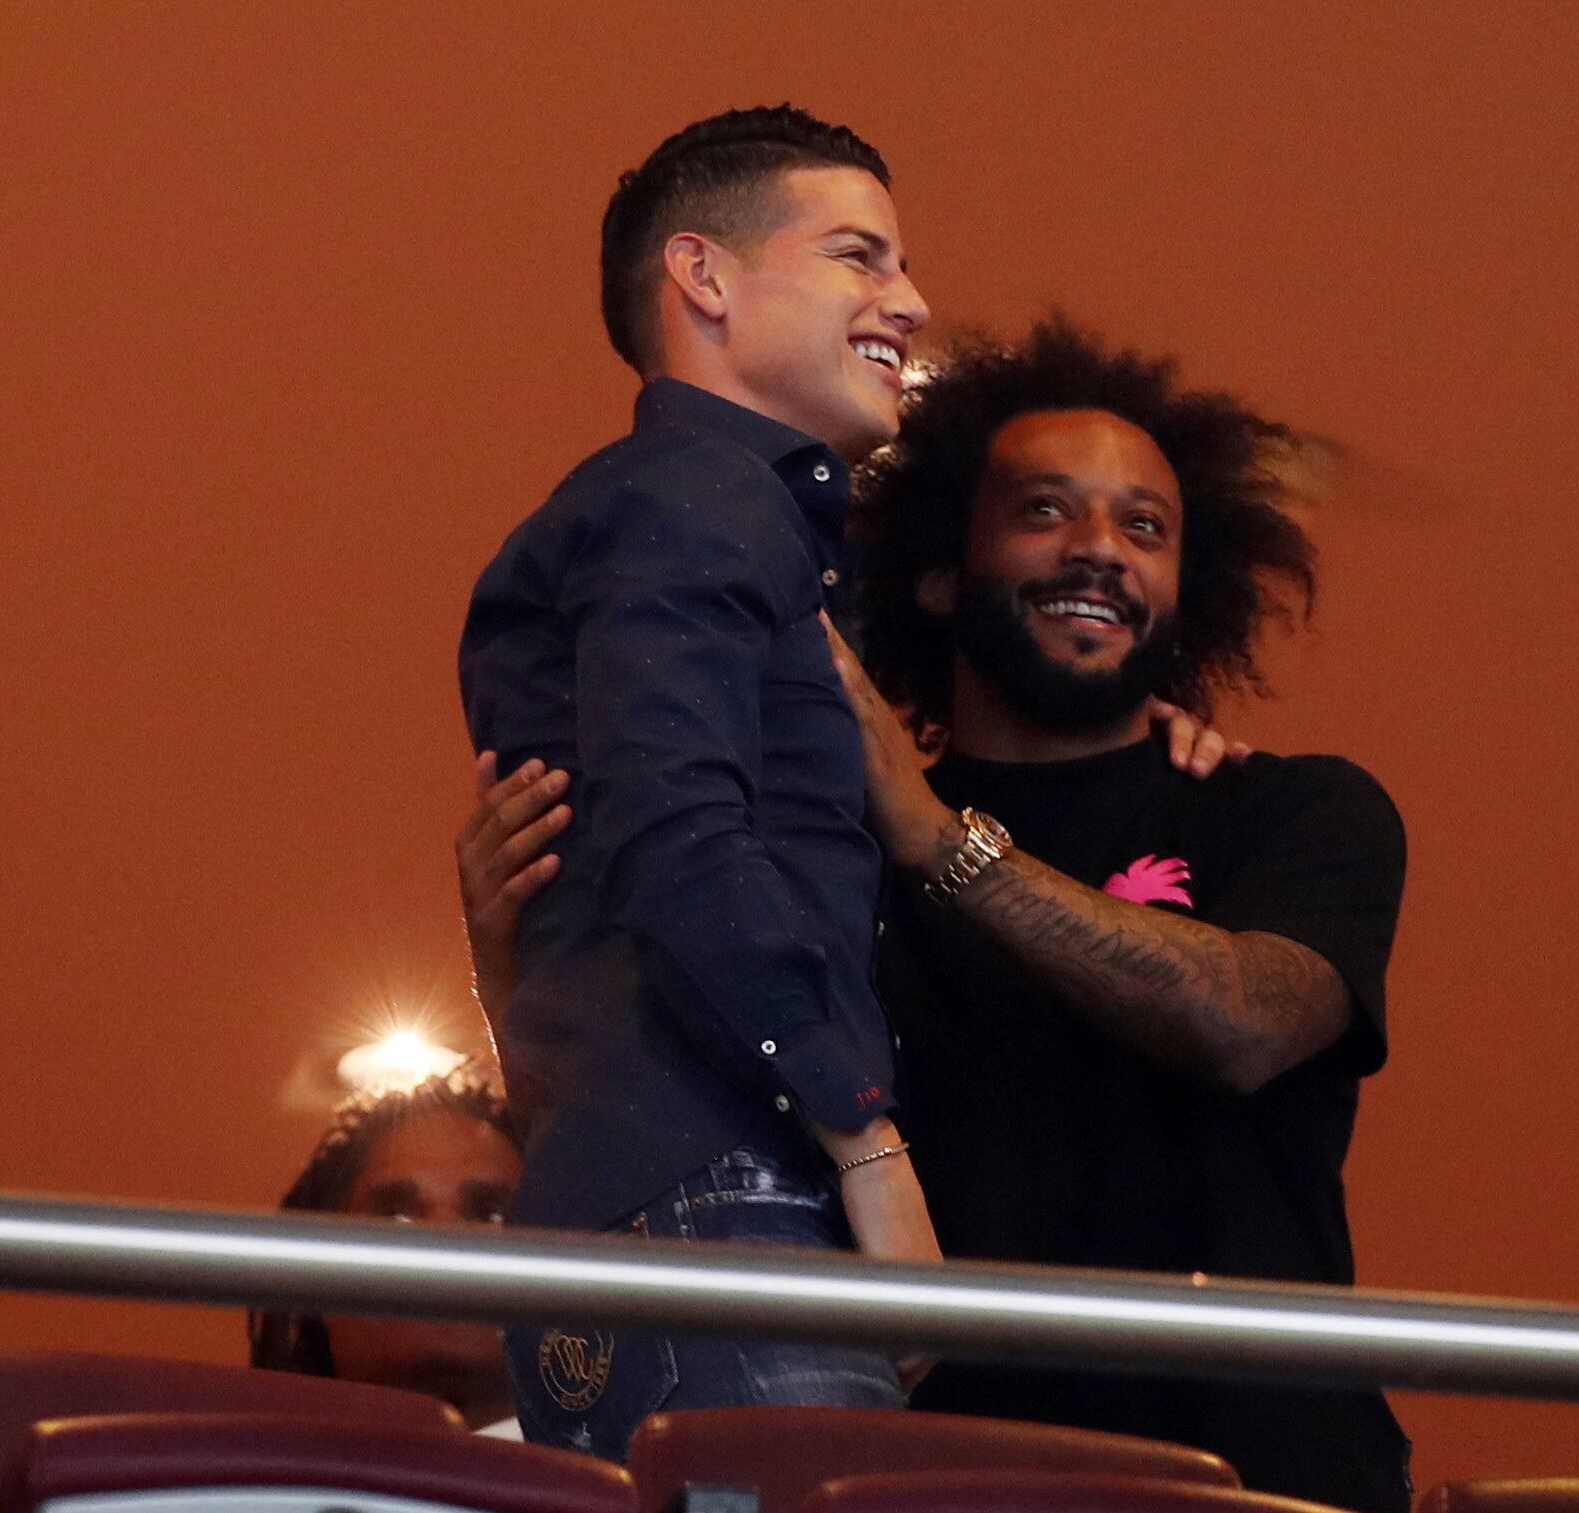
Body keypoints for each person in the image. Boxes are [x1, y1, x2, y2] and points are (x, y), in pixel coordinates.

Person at [459, 318, 1411, 1513]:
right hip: (926, 1477)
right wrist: (511, 967)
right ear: (934, 571)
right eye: (1044, 511)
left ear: (1189, 590)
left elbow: (1247, 1019)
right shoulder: (821, 847)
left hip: (1260, 1483)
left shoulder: (1292, 808)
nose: (1101, 550)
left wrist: (937, 838)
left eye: (1146, 528)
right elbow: (670, 1106)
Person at [456, 105, 938, 1460]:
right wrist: (866, 1145)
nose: (907, 301)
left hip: (657, 1194)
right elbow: (680, 837)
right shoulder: (689, 499)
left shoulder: (692, 519)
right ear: (703, 279)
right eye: (857, 256)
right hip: (721, 1191)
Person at [249, 1070, 524, 1433]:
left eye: (490, 1213)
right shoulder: (231, 1476)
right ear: (318, 1287)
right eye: (395, 1215)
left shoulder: (618, 1482)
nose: (441, 1240)